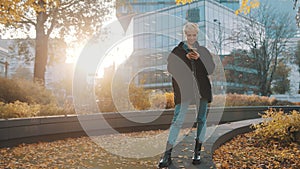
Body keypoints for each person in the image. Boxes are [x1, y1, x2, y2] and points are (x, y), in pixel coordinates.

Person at [158, 22, 215, 168]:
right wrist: (186, 58)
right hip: (184, 91)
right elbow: (171, 68)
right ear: (185, 35)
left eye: (194, 35)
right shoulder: (177, 51)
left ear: (197, 35)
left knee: (201, 120)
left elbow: (211, 68)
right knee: (178, 120)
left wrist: (199, 58)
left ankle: (197, 153)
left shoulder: (203, 50)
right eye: (189, 35)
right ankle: (167, 155)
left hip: (201, 90)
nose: (191, 38)